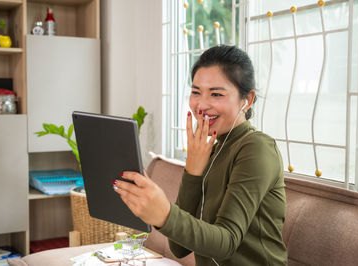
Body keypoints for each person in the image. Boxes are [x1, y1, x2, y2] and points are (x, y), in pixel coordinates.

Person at [113, 45, 288, 265]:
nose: (201, 105)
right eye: (196, 92)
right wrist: (193, 171)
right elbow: (179, 248)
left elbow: (227, 242)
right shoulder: (211, 150)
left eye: (216, 94)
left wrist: (165, 213)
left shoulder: (257, 148)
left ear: (248, 99)